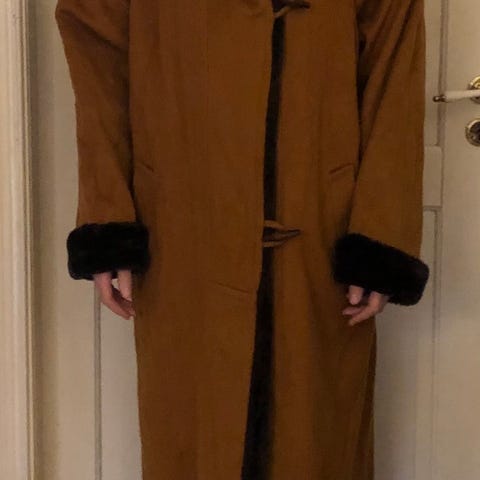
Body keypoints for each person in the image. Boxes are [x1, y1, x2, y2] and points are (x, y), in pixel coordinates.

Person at [55, 0, 430, 478]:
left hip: (321, 237)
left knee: (313, 440)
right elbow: (96, 49)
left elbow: (394, 66)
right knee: (195, 437)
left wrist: (381, 234)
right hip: (183, 230)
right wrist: (108, 217)